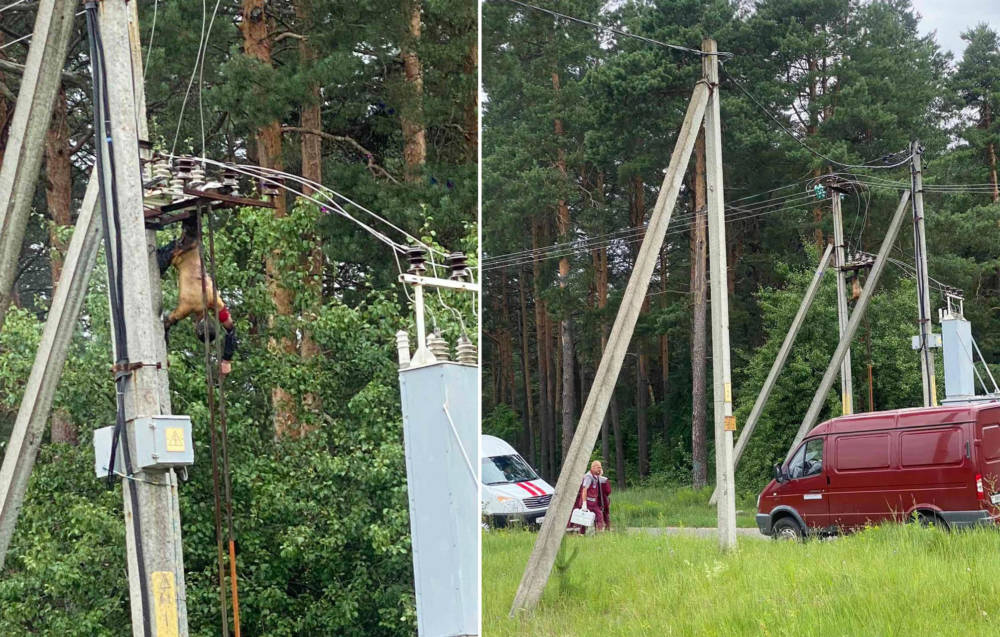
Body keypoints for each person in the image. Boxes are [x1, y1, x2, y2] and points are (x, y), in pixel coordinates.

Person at [157, 217, 237, 376]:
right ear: (195, 327)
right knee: (151, 272)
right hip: (178, 252)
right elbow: (165, 324)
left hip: (193, 244)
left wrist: (228, 359)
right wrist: (163, 355)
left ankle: (191, 221)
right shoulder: (186, 309)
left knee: (191, 219)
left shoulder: (215, 301)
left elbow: (231, 329)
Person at [572, 460, 611, 533]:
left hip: (594, 503)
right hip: (588, 502)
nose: (600, 469)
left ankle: (599, 533)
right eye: (598, 467)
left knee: (599, 516)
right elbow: (584, 490)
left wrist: (599, 475)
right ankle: (581, 534)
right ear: (593, 468)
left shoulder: (595, 476)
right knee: (583, 520)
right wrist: (584, 504)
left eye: (601, 467)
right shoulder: (588, 477)